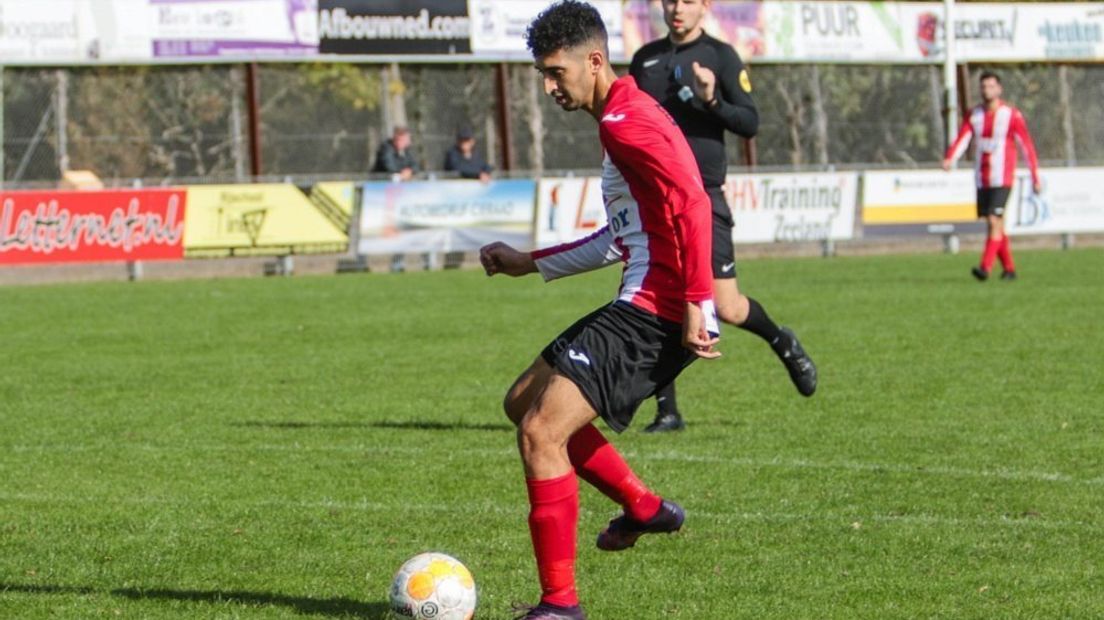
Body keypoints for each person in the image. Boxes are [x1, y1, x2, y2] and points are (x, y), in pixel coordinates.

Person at [478, 2, 720, 617]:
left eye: (556, 73)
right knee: (520, 402)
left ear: (594, 60)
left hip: (656, 310)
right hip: (641, 299)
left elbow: (693, 198)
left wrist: (697, 301)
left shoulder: (624, 122)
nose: (549, 86)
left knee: (540, 432)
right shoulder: (618, 113)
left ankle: (560, 606)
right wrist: (527, 260)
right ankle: (644, 506)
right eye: (543, 73)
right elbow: (619, 237)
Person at [629, 0, 816, 433]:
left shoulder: (721, 56)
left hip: (703, 198)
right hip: (655, 198)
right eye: (669, 0)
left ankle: (781, 340)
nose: (676, 9)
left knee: (727, 307)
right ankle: (667, 410)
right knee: (659, 301)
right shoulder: (645, 60)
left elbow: (749, 122)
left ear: (705, 7)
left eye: (687, 1)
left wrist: (712, 99)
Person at [943, 71, 1042, 281]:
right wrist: (950, 158)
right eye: (983, 86)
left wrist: (1035, 176)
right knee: (995, 223)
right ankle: (1009, 269)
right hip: (982, 177)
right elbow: (963, 138)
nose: (986, 90)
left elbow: (1026, 146)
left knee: (993, 219)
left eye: (990, 86)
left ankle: (985, 267)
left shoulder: (1011, 115)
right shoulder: (975, 115)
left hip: (1002, 177)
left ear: (999, 89)